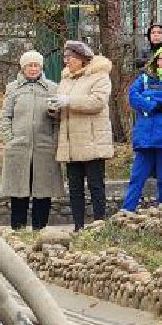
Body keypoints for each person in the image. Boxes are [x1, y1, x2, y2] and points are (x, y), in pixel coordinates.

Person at [0, 50, 64, 232]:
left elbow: (60, 119)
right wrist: (9, 139)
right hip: (18, 147)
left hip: (44, 147)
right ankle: (18, 230)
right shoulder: (13, 88)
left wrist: (54, 139)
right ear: (23, 67)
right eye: (30, 65)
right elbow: (5, 116)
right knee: (19, 191)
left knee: (42, 191)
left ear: (41, 67)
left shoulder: (52, 88)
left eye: (36, 65)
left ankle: (39, 230)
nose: (33, 69)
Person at [51, 41, 114, 230]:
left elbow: (97, 102)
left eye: (69, 58)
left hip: (92, 141)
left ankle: (99, 224)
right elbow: (64, 107)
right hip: (71, 142)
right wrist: (54, 108)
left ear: (81, 59)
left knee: (96, 185)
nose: (66, 61)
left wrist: (69, 101)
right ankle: (78, 226)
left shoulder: (99, 77)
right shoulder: (66, 79)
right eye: (65, 58)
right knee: (75, 187)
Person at [123, 45, 162, 211]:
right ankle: (126, 211)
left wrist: (147, 96)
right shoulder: (144, 77)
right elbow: (133, 96)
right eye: (160, 58)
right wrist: (152, 105)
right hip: (144, 136)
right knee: (136, 177)